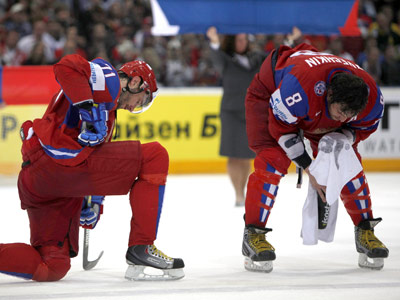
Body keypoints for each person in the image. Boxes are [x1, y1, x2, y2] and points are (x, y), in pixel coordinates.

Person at [0, 54, 184, 281]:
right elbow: (66, 66)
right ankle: (142, 246)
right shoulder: (110, 81)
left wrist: (94, 201)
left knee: (52, 265)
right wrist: (86, 107)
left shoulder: (108, 111)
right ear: (135, 82)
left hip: (41, 180)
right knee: (155, 156)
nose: (135, 107)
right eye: (142, 100)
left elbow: (98, 161)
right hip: (57, 164)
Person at [241, 43, 389, 272]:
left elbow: (362, 127)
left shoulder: (371, 99)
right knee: (272, 161)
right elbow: (280, 128)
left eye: (351, 115)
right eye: (342, 112)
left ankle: (365, 230)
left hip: (311, 101)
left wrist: (343, 136)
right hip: (271, 93)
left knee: (345, 160)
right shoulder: (299, 89)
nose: (344, 118)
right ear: (329, 94)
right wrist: (310, 169)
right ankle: (253, 234)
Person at [206, 26, 266, 206]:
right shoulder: (225, 60)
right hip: (231, 112)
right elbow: (216, 57)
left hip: (251, 112)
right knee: (233, 154)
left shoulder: (255, 58)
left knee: (246, 154)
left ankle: (243, 190)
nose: (242, 42)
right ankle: (238, 193)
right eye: (239, 40)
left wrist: (288, 40)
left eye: (244, 39)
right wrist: (214, 41)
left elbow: (275, 59)